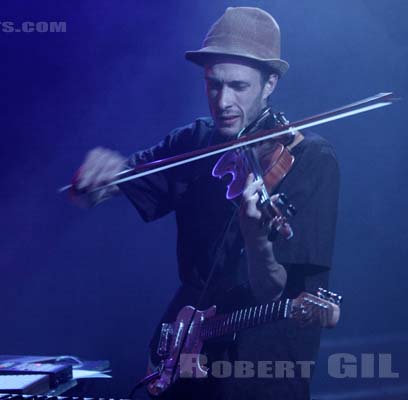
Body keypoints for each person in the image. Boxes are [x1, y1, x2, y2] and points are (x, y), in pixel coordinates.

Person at [70, 7, 339, 400]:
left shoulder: (312, 160)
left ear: (270, 83)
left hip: (258, 370)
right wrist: (92, 182)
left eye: (238, 86)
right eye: (213, 85)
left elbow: (272, 289)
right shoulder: (193, 142)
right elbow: (108, 187)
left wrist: (256, 238)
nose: (223, 101)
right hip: (185, 353)